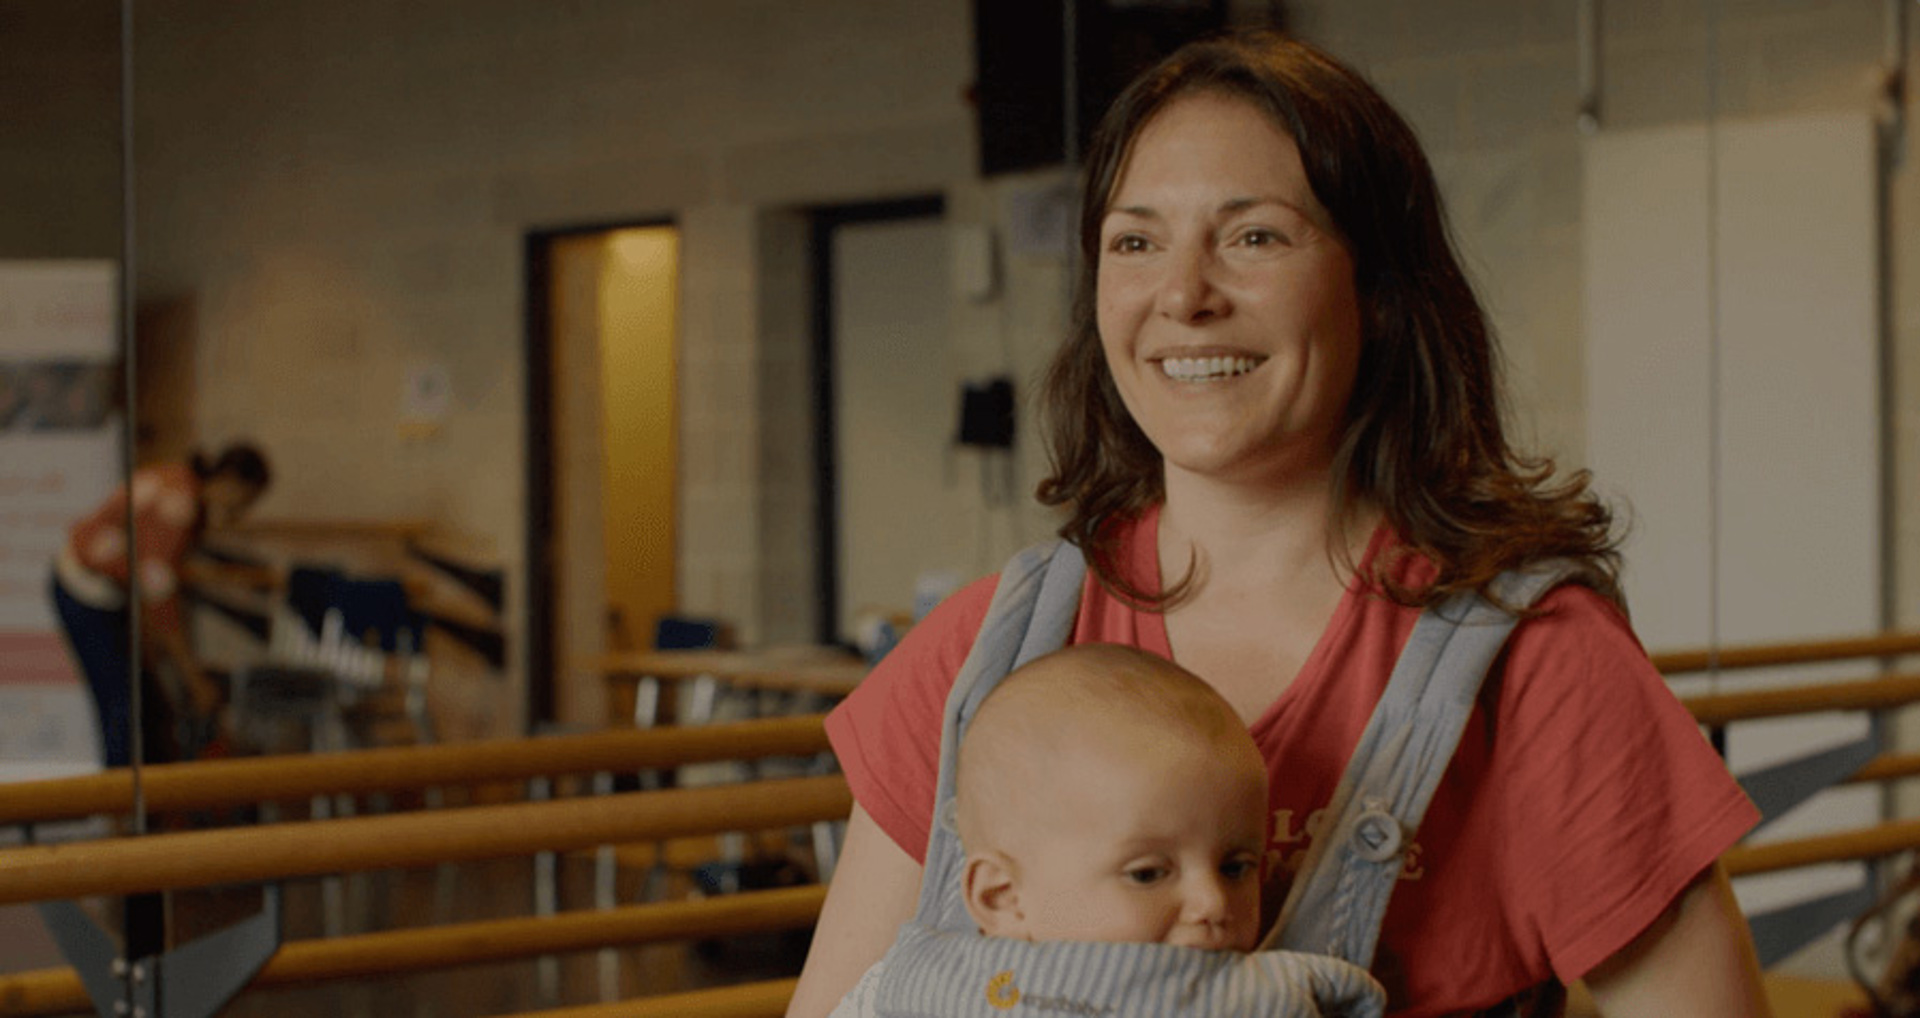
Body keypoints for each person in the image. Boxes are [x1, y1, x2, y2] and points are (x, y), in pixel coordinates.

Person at [790, 29, 1769, 1018]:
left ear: (1380, 292)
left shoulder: (1535, 664)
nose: (1183, 296)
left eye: (1253, 235)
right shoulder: (984, 655)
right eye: (1136, 241)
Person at [829, 642, 1314, 1018]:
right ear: (1002, 897)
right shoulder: (918, 986)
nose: (1213, 902)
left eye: (1235, 868)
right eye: (1147, 874)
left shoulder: (1265, 997)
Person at [50, 441, 273, 767]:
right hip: (84, 592)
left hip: (107, 593)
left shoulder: (182, 483)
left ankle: (147, 805)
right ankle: (123, 808)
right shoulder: (179, 505)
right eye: (246, 499)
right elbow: (160, 598)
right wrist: (194, 679)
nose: (243, 510)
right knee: (122, 706)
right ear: (231, 480)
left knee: (146, 705)